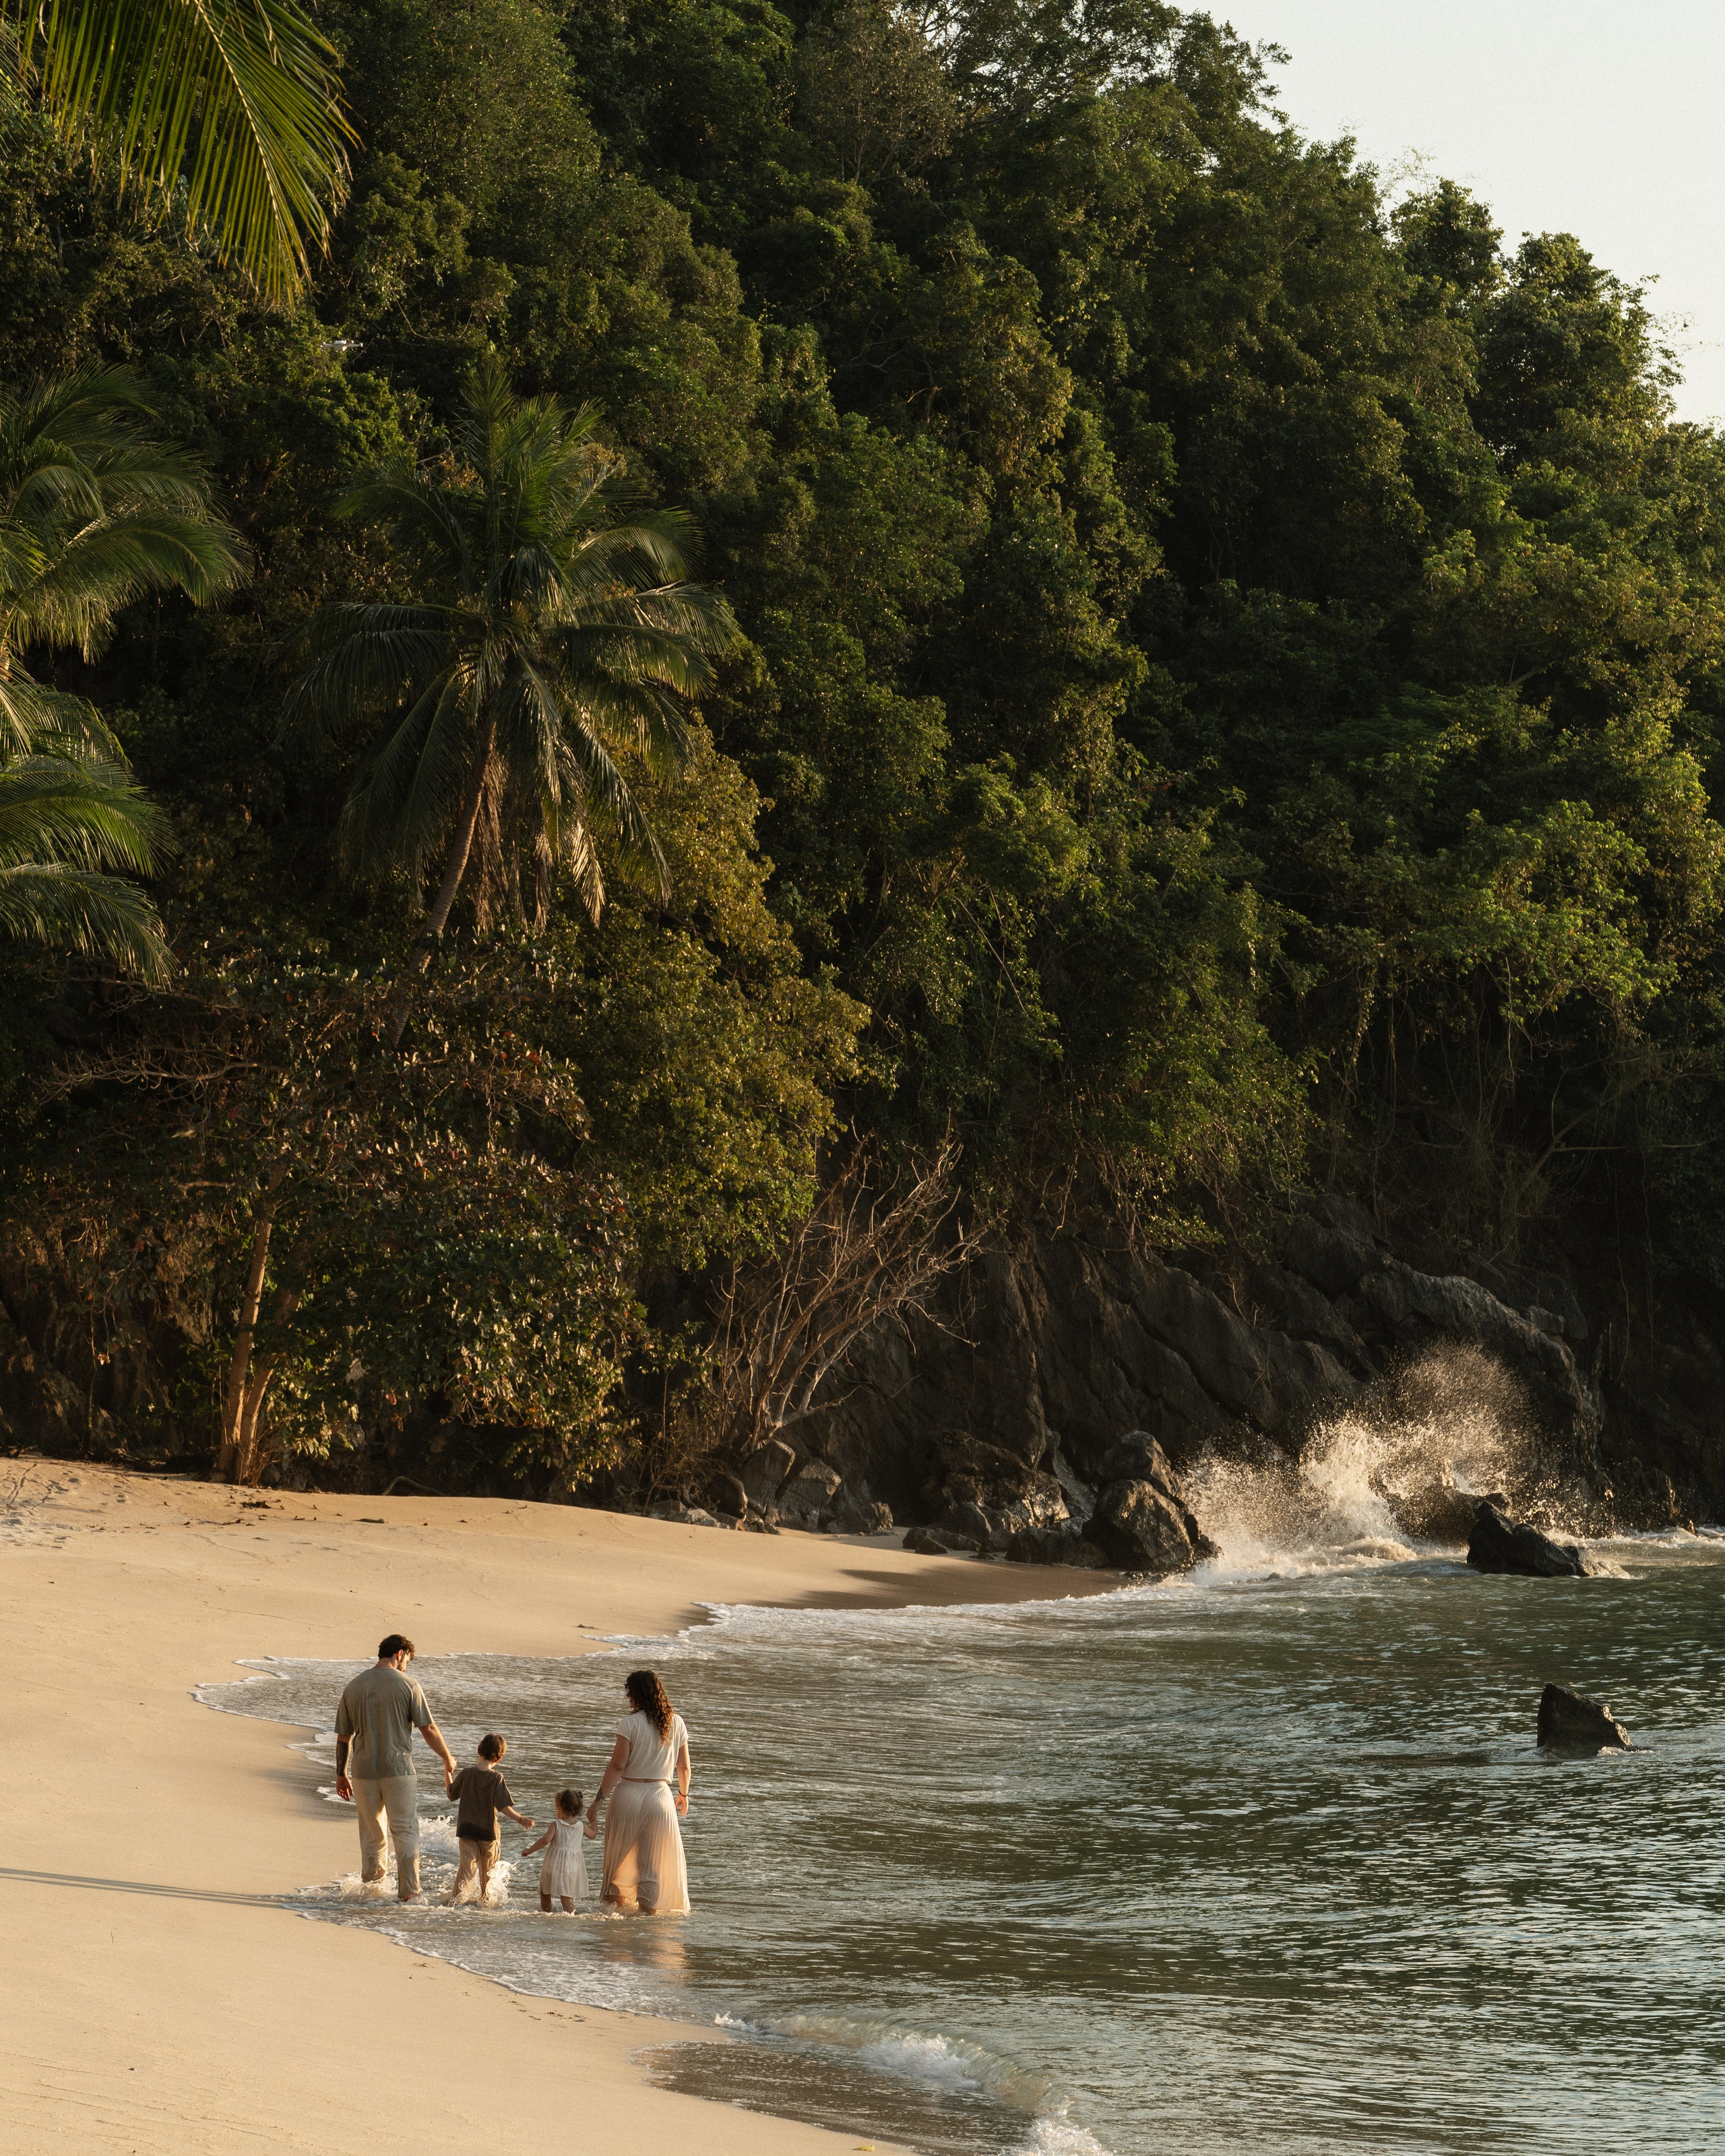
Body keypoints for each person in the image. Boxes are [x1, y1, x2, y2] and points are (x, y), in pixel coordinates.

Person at [334, 1633, 456, 1902]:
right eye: (407, 1660)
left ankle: (372, 1890)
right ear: (400, 1653)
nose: (406, 1666)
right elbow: (429, 1728)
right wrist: (447, 1757)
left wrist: (340, 1774)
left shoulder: (354, 1686)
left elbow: (344, 1738)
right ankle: (409, 1892)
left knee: (372, 1832)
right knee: (405, 1831)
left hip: (363, 1771)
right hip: (398, 1769)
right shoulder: (408, 1685)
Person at [586, 1669, 691, 1915]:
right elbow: (684, 1766)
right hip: (661, 1798)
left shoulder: (629, 1723)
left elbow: (618, 1765)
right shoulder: (677, 1722)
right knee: (652, 1865)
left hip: (628, 1795)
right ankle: (647, 1922)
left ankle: (615, 1932)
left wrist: (598, 1802)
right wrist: (683, 1795)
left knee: (618, 1861)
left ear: (635, 1694)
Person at [445, 1733, 534, 1905]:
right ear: (499, 1758)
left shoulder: (466, 1774)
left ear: (479, 1750)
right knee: (488, 1877)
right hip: (489, 1833)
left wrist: (447, 1770)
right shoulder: (496, 1778)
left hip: (467, 1831)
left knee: (466, 1872)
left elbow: (451, 1794)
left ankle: (454, 1906)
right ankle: (485, 1908)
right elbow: (503, 1807)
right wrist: (521, 1819)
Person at [521, 1786, 597, 1913]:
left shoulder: (556, 1824)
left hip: (554, 1864)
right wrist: (594, 1821)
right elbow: (593, 1835)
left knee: (545, 1893)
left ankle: (547, 1913)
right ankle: (571, 1916)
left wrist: (529, 1850)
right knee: (566, 1897)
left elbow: (545, 1840)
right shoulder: (582, 1826)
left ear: (561, 1810)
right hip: (572, 1866)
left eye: (557, 1809)